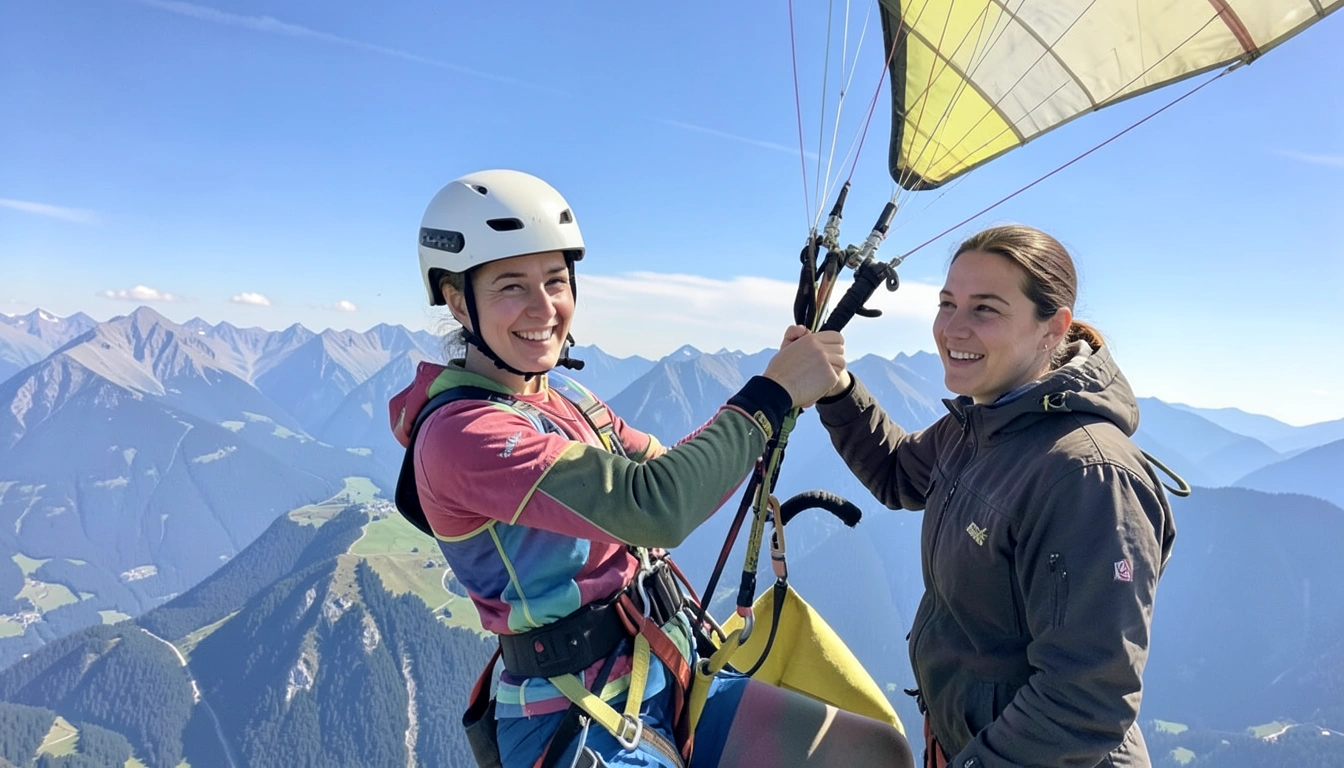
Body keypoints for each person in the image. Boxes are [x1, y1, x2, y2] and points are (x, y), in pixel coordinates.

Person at [389, 169, 913, 768]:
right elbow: (653, 506)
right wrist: (770, 394)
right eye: (511, 286)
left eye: (556, 281)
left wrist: (775, 391)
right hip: (571, 716)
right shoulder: (462, 435)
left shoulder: (565, 400)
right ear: (457, 299)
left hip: (665, 669)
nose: (544, 307)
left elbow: (671, 469)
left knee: (874, 754)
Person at [815, 225, 1176, 768]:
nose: (953, 328)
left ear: (1051, 330)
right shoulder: (984, 422)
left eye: (985, 309)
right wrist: (834, 386)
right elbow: (899, 474)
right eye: (947, 303)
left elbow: (1085, 698)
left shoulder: (1089, 477)